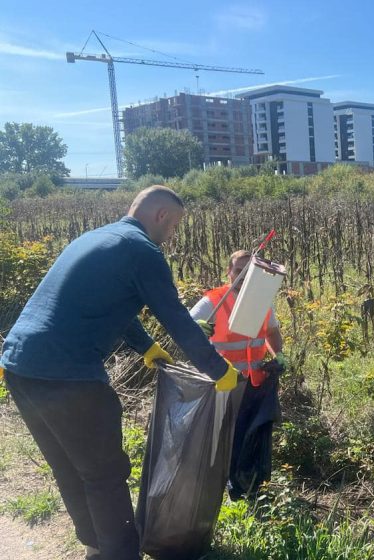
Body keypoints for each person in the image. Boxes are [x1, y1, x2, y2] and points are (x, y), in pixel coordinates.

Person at [0, 185, 238, 560]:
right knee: (105, 475)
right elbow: (175, 317)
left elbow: (113, 303)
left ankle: (97, 546)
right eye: (173, 226)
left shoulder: (98, 238)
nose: (172, 235)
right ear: (160, 216)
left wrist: (145, 347)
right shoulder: (143, 250)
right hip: (68, 375)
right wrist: (218, 369)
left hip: (19, 367)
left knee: (70, 466)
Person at [189, 249, 285, 498]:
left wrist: (278, 357)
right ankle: (216, 488)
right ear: (228, 273)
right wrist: (199, 330)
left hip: (254, 384)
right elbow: (186, 331)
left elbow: (272, 333)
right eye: (238, 271)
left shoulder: (261, 300)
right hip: (223, 385)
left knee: (248, 439)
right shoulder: (213, 302)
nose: (243, 276)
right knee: (222, 441)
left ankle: (247, 488)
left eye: (248, 271)